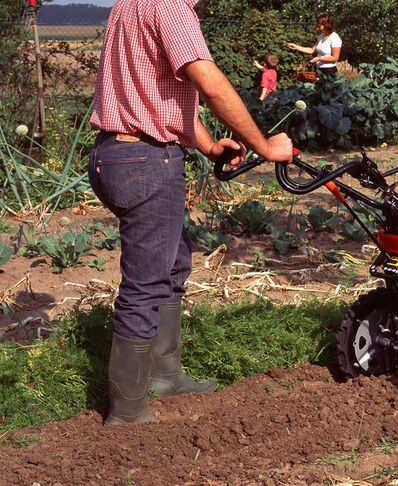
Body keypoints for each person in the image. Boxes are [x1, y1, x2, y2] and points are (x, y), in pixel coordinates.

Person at [88, 0, 293, 426]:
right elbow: (211, 85)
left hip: (115, 153)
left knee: (172, 262)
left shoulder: (129, 4)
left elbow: (159, 95)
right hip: (146, 159)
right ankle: (127, 412)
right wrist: (267, 146)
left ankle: (164, 374)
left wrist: (209, 146)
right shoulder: (171, 7)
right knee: (145, 283)